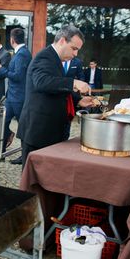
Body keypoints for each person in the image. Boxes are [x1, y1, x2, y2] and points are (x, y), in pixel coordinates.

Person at [16, 25, 93, 167]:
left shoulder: (55, 59)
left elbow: (55, 88)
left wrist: (79, 100)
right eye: (74, 49)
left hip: (49, 131)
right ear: (62, 41)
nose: (75, 54)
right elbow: (42, 82)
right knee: (34, 181)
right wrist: (74, 82)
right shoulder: (45, 57)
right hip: (38, 132)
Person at [0, 28, 32, 160]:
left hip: (19, 97)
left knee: (23, 126)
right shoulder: (19, 52)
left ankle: (25, 156)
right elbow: (11, 71)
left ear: (12, 40)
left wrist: (1, 69)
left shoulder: (22, 54)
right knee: (4, 123)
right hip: (12, 97)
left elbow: (18, 76)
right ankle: (1, 152)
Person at [62, 55, 85, 140]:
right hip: (58, 93)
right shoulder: (57, 60)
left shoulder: (77, 62)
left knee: (69, 117)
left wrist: (79, 86)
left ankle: (65, 137)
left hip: (72, 95)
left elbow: (81, 76)